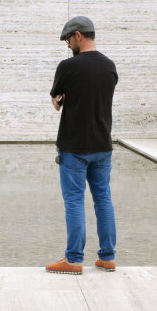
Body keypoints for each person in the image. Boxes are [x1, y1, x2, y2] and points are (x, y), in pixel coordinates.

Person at [46, 16, 118, 275]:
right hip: (102, 144)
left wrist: (60, 100)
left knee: (75, 201)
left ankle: (74, 259)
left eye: (68, 40)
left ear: (78, 35)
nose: (67, 45)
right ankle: (107, 257)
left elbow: (56, 100)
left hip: (74, 147)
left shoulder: (68, 67)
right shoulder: (110, 67)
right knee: (103, 199)